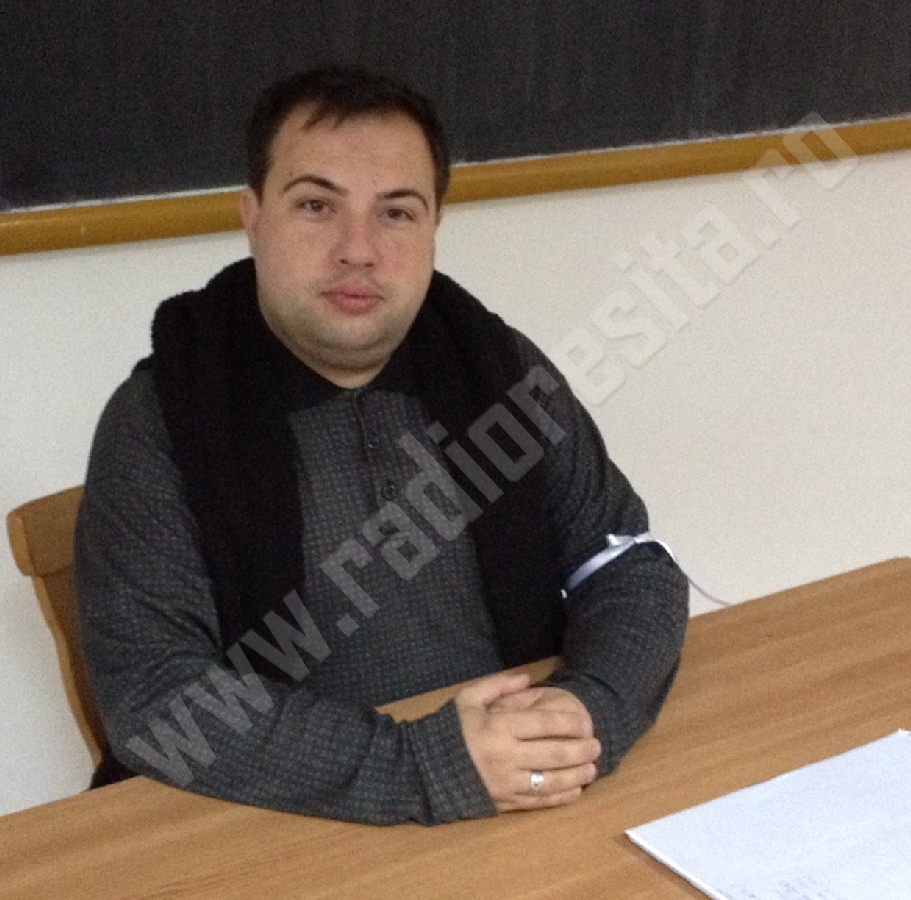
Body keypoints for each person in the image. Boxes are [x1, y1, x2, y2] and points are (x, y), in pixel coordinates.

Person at [74, 65, 688, 826]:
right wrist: (423, 766)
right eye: (316, 206)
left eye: (396, 213)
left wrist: (586, 716)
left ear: (434, 228)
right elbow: (160, 699)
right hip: (283, 825)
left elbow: (627, 564)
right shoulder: (160, 417)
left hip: (524, 801)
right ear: (252, 216)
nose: (357, 249)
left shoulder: (498, 370)